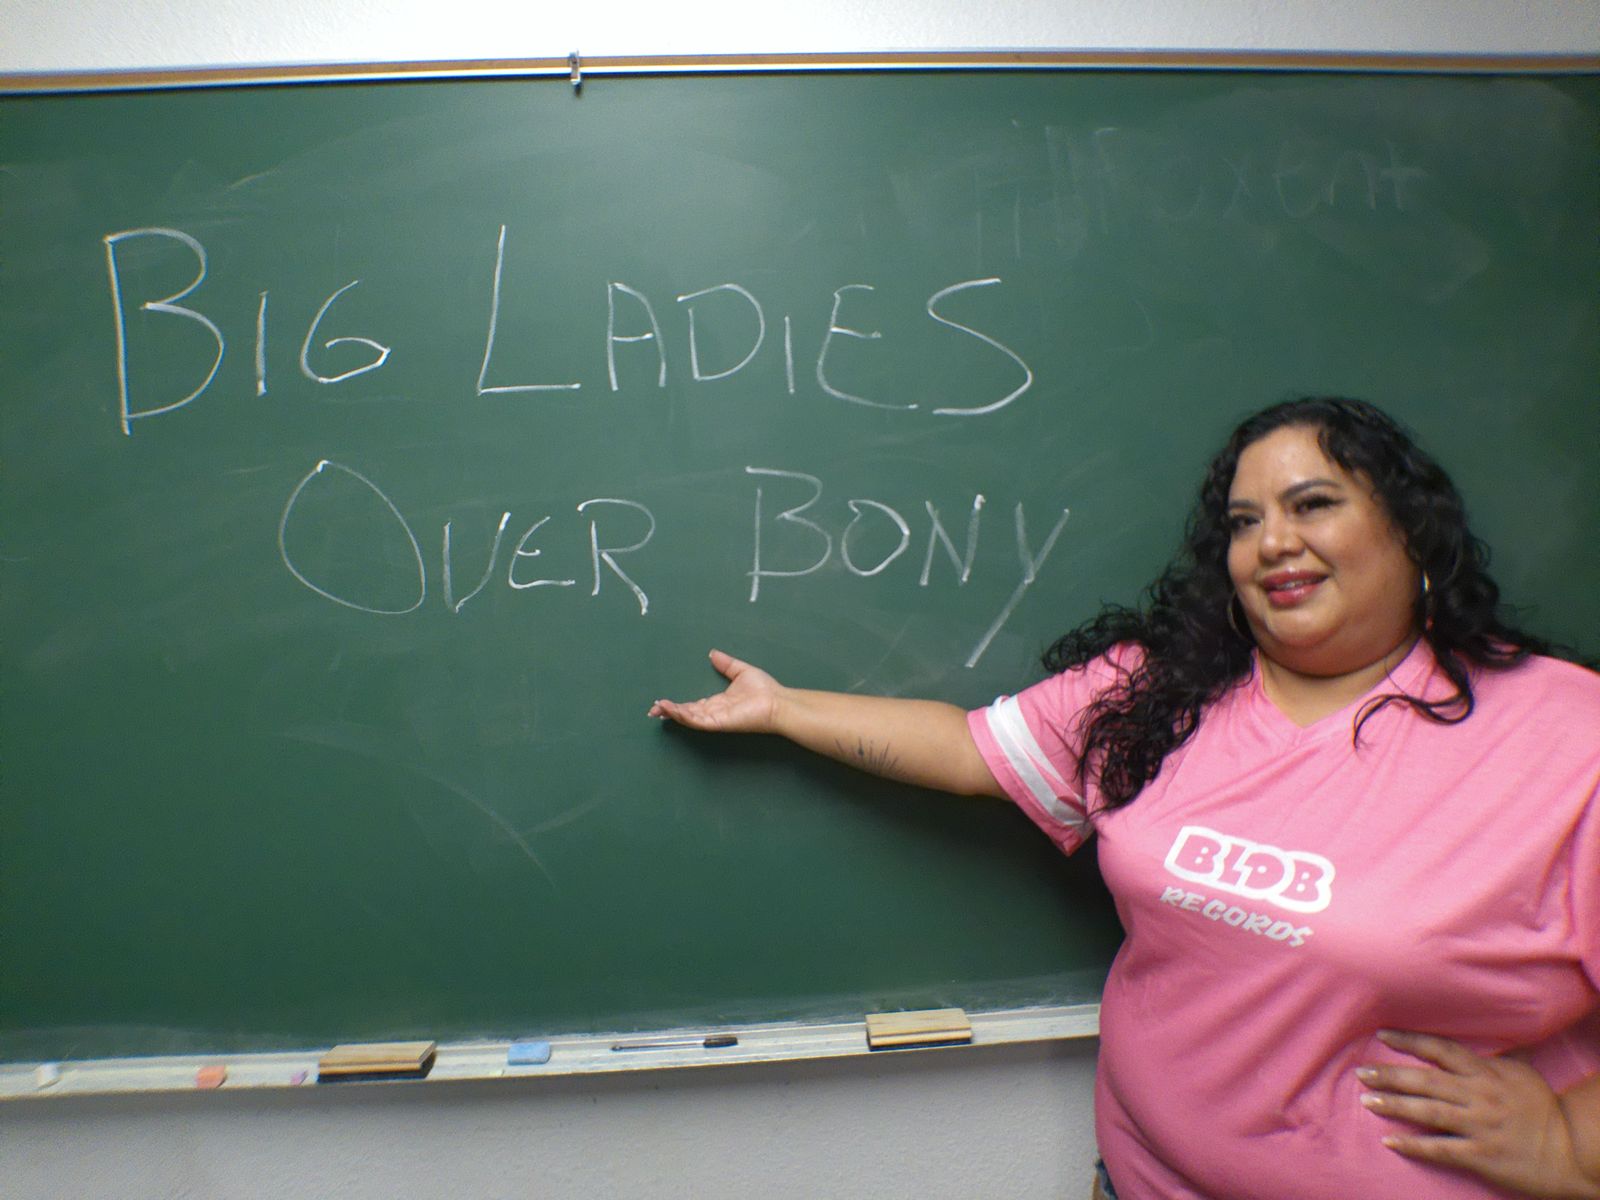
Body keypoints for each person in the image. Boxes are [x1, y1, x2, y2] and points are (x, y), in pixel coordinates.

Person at [650, 397, 1600, 1200]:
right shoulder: (1162, 690)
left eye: (1313, 504)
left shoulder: (1566, 737)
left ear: (1410, 529)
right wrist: (783, 709)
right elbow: (968, 748)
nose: (1273, 543)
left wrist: (1566, 1148)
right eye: (1243, 522)